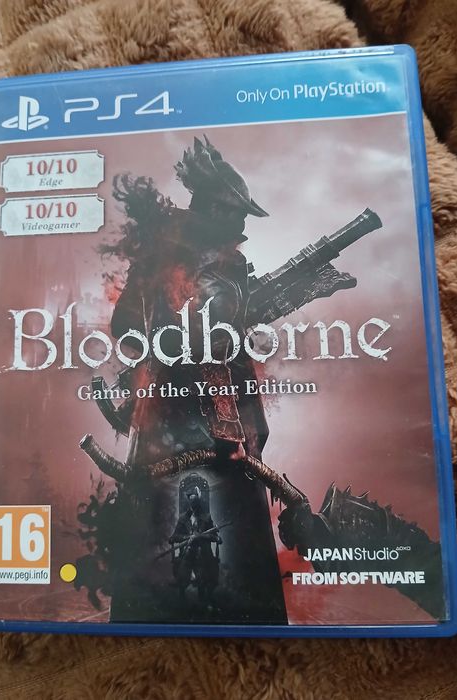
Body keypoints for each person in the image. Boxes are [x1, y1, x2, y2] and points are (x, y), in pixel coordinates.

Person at [108, 136, 287, 623]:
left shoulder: (225, 264)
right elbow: (126, 325)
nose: (242, 225)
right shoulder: (165, 260)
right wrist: (175, 343)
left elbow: (235, 339)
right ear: (212, 209)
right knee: (160, 537)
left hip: (219, 411)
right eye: (236, 214)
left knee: (237, 544)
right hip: (178, 414)